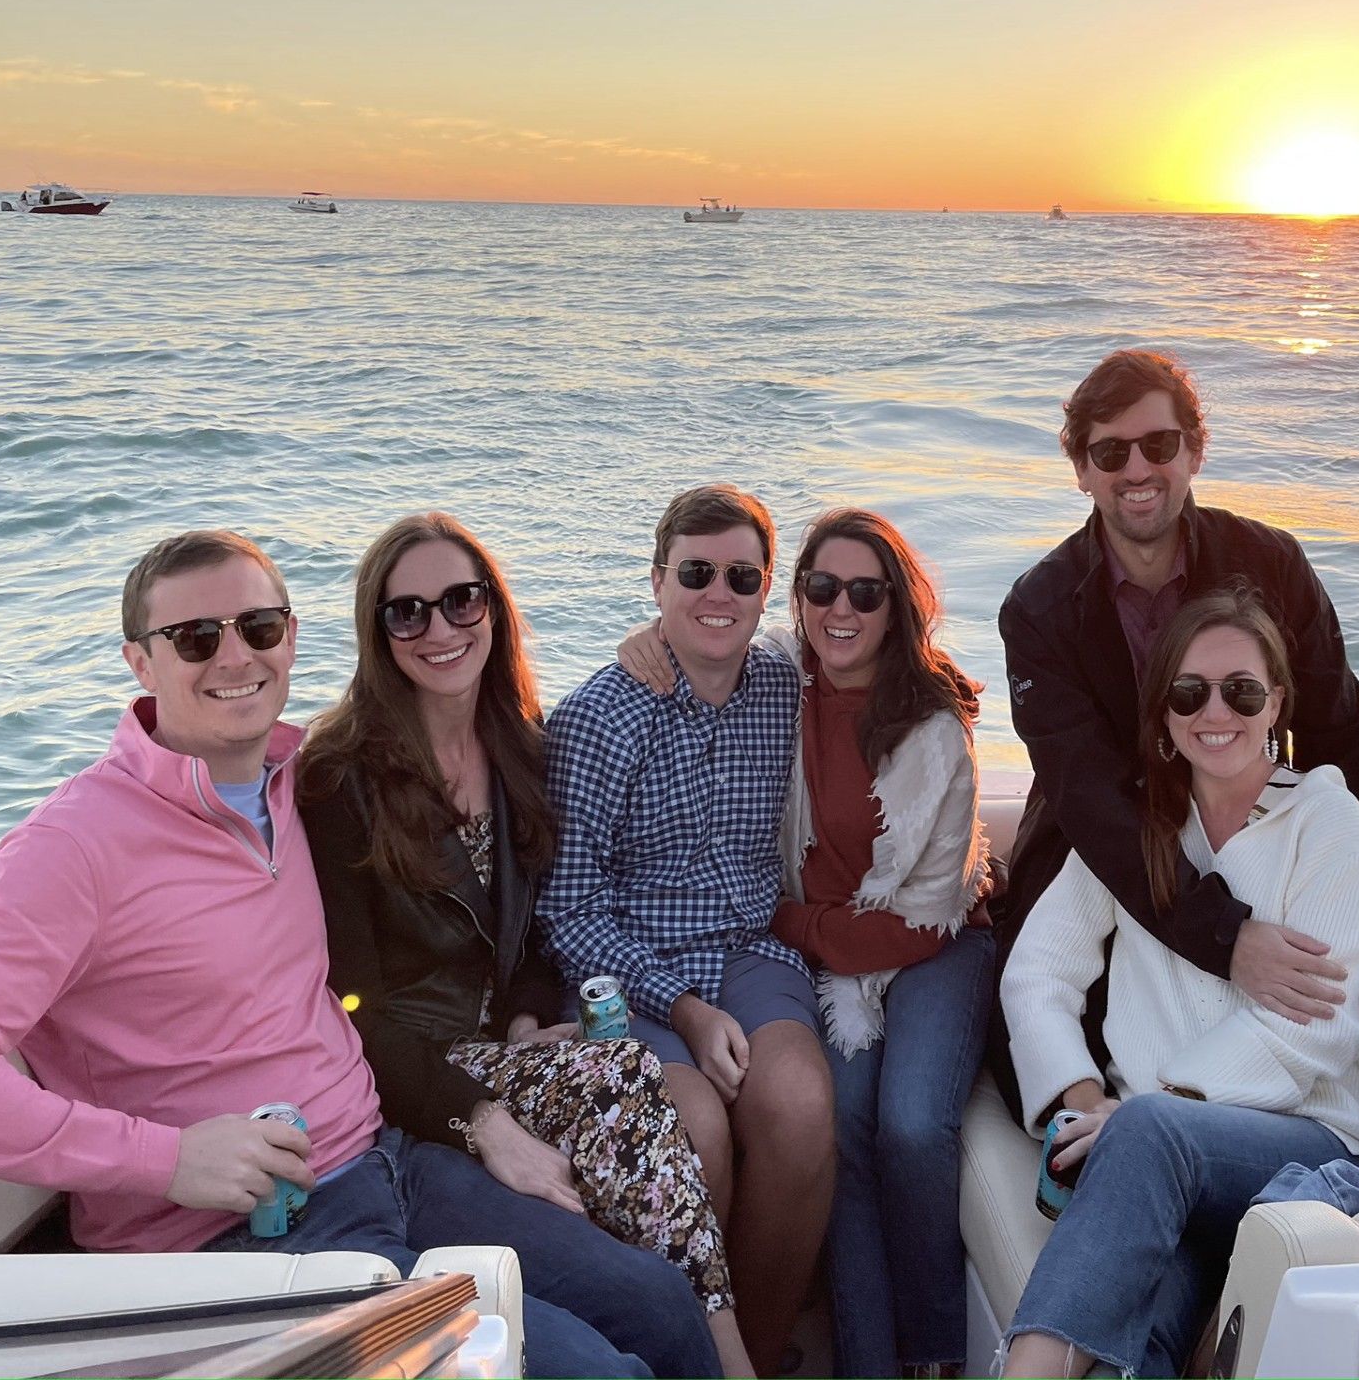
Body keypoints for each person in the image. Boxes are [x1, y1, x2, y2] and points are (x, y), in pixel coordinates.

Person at [0, 530, 717, 1380]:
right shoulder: (74, 846)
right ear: (139, 663)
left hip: (387, 1159)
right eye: (197, 638)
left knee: (658, 1304)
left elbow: (457, 757)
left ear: (293, 637)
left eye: (258, 627)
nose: (235, 656)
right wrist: (167, 1159)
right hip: (235, 1236)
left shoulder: (300, 778)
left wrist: (661, 638)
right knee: (597, 1371)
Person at [296, 512, 752, 1376]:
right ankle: (725, 1356)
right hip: (412, 1074)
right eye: (409, 613)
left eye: (462, 601)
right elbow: (349, 1008)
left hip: (498, 1050)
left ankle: (698, 1337)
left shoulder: (518, 749)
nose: (440, 629)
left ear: (494, 611)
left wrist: (526, 1017)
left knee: (629, 1078)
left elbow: (539, 934)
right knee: (627, 1077)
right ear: (377, 630)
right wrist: (480, 1117)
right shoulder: (340, 781)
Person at [996, 348, 1359, 1115]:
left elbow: (1346, 738)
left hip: (1241, 826)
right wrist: (1226, 937)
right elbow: (1089, 796)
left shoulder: (1270, 564)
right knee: (1025, 1045)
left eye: (1159, 445)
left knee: (1276, 1040)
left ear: (1195, 450)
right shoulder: (1038, 607)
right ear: (1081, 470)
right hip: (1097, 849)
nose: (1138, 468)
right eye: (1109, 451)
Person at [999, 586, 1359, 1378]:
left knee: (1152, 1139)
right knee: (1148, 1328)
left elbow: (1309, 1033)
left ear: (1277, 705)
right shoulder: (1140, 832)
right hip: (1165, 1162)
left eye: (1242, 690)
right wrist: (1084, 1102)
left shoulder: (1328, 822)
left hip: (1324, 1143)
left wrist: (1145, 1117)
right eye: (1189, 692)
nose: (1214, 710)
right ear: (1163, 713)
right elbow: (1038, 973)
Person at [621, 508, 993, 1379]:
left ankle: (934, 1354)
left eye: (866, 592)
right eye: (822, 588)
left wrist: (779, 923)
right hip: (829, 965)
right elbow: (707, 624)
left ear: (897, 607)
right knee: (841, 1123)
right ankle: (866, 1363)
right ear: (798, 599)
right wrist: (649, 634)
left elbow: (916, 921)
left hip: (931, 946)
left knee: (908, 1125)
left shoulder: (936, 734)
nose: (842, 609)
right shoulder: (786, 679)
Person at [538, 484, 835, 1375]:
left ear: (766, 590)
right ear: (657, 582)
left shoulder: (785, 682)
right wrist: (686, 1008)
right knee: (692, 1126)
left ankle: (765, 1346)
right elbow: (568, 910)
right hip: (628, 964)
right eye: (696, 573)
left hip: (748, 949)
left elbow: (872, 657)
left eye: (741, 577)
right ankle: (687, 1358)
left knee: (800, 1104)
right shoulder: (600, 717)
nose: (719, 595)